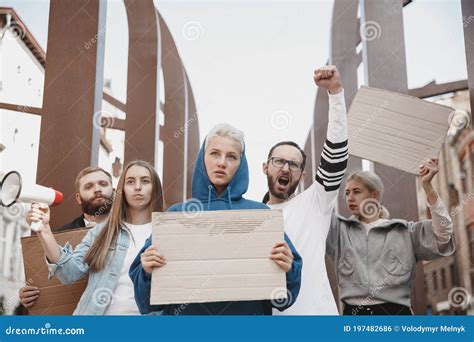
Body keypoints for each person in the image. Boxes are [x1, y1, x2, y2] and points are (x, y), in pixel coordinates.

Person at [130, 123, 302, 315]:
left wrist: (288, 269)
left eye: (231, 156)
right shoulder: (175, 215)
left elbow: (283, 300)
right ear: (203, 158)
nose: (222, 162)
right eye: (214, 154)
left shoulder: (261, 215)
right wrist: (146, 271)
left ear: (241, 163)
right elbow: (146, 303)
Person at [26, 160, 163, 315]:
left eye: (145, 181)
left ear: (155, 187)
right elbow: (69, 272)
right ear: (122, 190)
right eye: (130, 182)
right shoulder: (102, 231)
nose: (138, 187)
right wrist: (44, 229)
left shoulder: (168, 232)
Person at [264, 65, 348, 315]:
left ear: (302, 175)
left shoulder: (316, 204)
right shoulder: (250, 216)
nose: (286, 168)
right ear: (265, 167)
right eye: (279, 161)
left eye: (294, 164)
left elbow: (336, 156)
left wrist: (335, 93)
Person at [326, 158, 455, 315]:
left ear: (374, 195)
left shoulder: (405, 231)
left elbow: (443, 234)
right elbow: (316, 210)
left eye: (356, 191)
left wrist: (428, 187)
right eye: (347, 193)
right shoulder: (339, 232)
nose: (350, 198)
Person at [19, 166, 114, 310]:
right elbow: (41, 278)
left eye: (103, 184)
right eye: (89, 186)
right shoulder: (57, 238)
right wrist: (26, 294)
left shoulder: (132, 229)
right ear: (78, 198)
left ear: (113, 192)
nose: (97, 189)